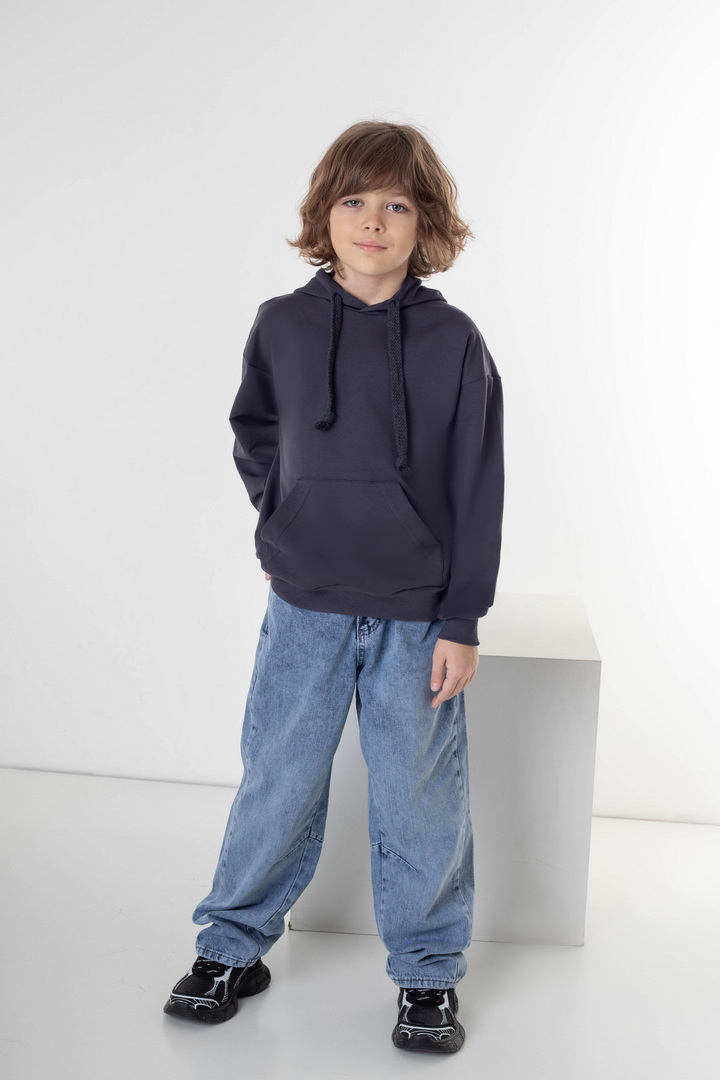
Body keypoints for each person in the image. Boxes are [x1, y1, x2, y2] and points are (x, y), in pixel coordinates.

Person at [163, 119, 505, 1055]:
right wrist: (285, 515)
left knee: (419, 800)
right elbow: (254, 429)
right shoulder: (282, 324)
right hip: (304, 601)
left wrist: (463, 616)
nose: (373, 221)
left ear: (425, 223)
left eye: (397, 204)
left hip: (416, 616)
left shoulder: (452, 341)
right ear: (326, 212)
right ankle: (231, 948)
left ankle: (428, 974)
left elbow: (478, 483)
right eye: (355, 200)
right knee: (277, 780)